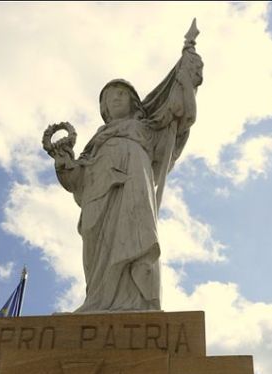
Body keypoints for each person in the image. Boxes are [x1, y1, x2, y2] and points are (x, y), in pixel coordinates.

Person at [49, 24, 203, 313]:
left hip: (134, 186)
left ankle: (140, 304)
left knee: (135, 239)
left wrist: (186, 63)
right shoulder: (96, 142)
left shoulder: (146, 128)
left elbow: (178, 113)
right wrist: (65, 163)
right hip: (99, 197)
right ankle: (97, 301)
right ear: (105, 110)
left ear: (132, 102)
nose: (115, 99)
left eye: (120, 94)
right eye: (109, 97)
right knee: (97, 248)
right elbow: (78, 180)